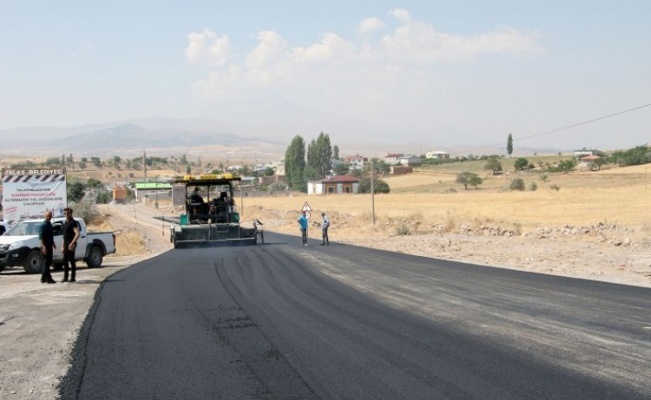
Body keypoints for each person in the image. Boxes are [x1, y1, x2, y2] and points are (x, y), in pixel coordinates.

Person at [62, 207, 81, 283]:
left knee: (71, 260)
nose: (66, 214)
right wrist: (62, 246)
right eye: (65, 213)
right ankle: (65, 277)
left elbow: (77, 233)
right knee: (65, 260)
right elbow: (64, 236)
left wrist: (72, 243)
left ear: (71, 213)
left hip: (71, 244)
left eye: (67, 213)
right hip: (66, 243)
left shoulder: (73, 222)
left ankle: (72, 277)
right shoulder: (65, 222)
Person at [38, 210, 56, 284]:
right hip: (45, 247)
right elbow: (41, 237)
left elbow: (50, 236)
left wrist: (53, 243)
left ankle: (43, 278)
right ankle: (48, 279)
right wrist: (43, 247)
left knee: (48, 263)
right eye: (47, 216)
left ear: (51, 216)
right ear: (44, 216)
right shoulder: (43, 225)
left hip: (49, 246)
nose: (48, 217)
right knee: (46, 263)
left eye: (49, 216)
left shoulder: (49, 224)